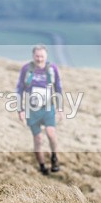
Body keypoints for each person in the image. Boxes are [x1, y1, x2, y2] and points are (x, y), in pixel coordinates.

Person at [16, 44, 62, 175]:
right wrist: (20, 110)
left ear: (46, 56)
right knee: (38, 139)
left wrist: (59, 108)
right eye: (37, 56)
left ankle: (54, 157)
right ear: (33, 56)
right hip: (32, 109)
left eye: (42, 56)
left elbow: (58, 87)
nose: (39, 59)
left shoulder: (52, 69)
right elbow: (19, 89)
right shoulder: (27, 69)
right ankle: (42, 166)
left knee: (51, 133)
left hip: (48, 107)